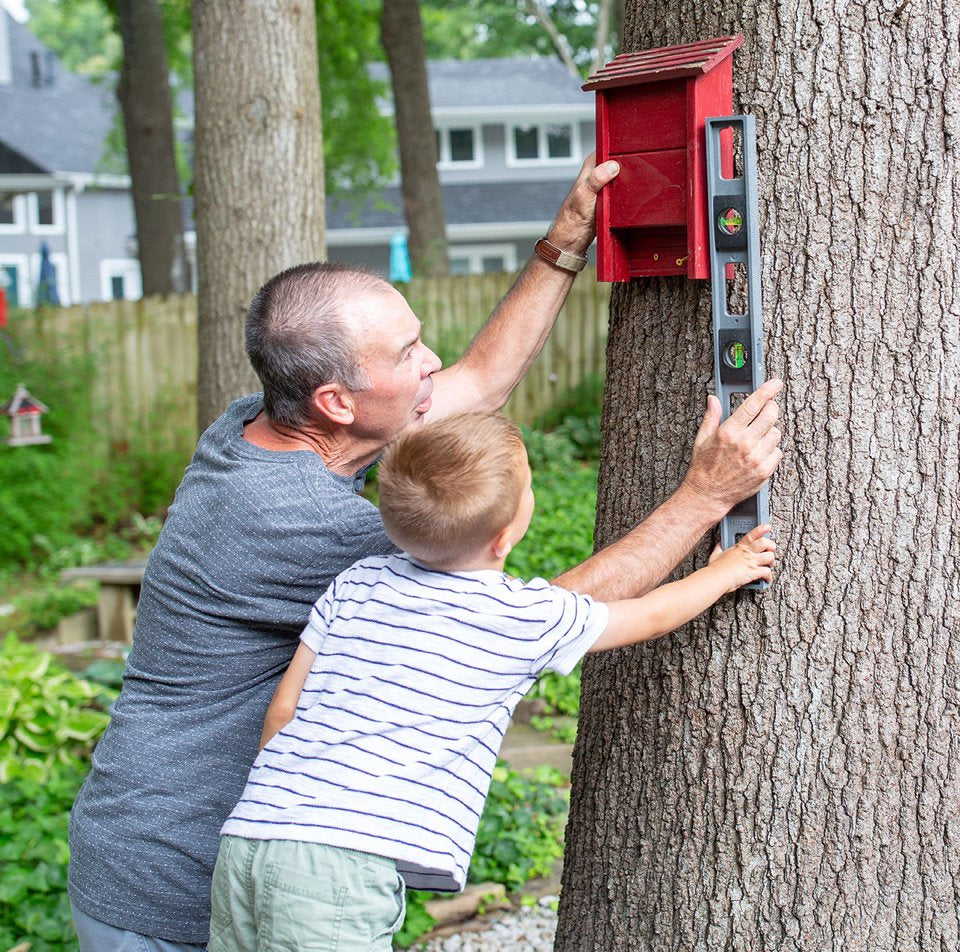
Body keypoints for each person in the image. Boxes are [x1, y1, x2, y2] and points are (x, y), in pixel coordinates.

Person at [68, 154, 783, 951]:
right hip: (172, 881)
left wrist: (563, 244)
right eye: (407, 353)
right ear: (336, 402)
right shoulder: (299, 523)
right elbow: (530, 617)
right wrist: (704, 498)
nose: (431, 363)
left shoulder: (257, 426)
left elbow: (477, 384)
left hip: (212, 854)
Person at [207, 412, 776, 951]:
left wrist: (289, 806)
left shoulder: (359, 582)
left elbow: (284, 710)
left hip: (250, 835)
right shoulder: (520, 615)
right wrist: (723, 573)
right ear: (504, 538)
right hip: (343, 862)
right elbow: (647, 616)